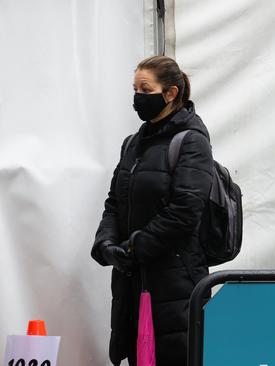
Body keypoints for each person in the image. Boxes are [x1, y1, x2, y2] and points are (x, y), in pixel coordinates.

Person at [91, 56, 213, 365]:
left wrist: (135, 247)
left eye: (145, 89)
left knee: (174, 356)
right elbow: (114, 202)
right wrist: (106, 245)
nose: (137, 98)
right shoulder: (132, 143)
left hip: (176, 281)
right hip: (132, 279)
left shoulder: (192, 141)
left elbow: (186, 209)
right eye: (134, 89)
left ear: (170, 93)